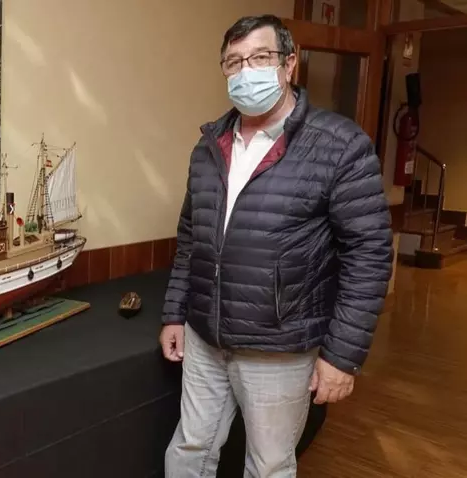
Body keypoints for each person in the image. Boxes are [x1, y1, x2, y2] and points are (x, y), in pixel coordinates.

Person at [160, 14, 393, 478]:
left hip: (280, 347)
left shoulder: (340, 145)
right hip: (206, 336)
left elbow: (368, 256)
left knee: (268, 465)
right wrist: (174, 313)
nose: (246, 71)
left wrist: (341, 357)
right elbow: (191, 238)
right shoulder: (208, 147)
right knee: (190, 449)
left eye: (260, 57)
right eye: (234, 62)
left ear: (289, 65)